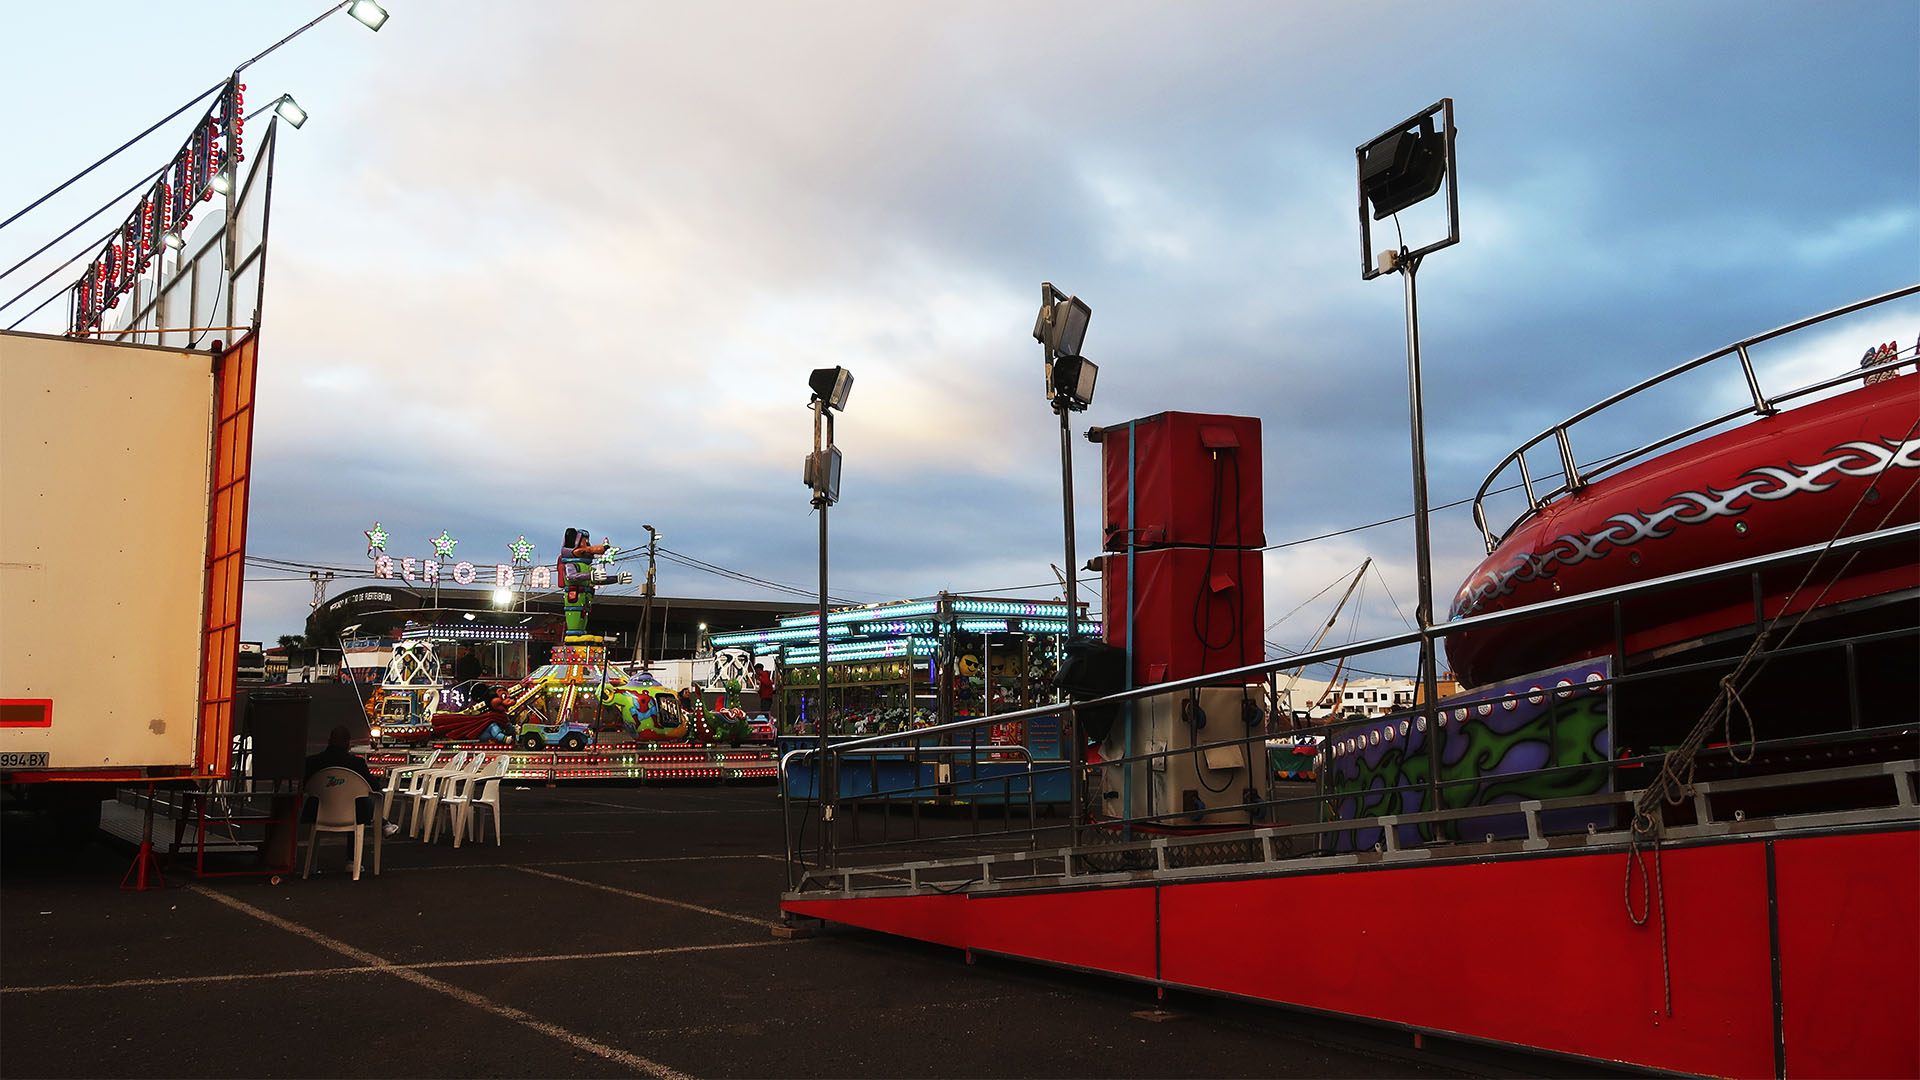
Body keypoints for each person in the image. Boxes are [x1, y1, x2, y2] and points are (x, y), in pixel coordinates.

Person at [302, 724, 383, 833]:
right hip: (354, 814)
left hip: (317, 812)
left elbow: (303, 786)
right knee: (361, 800)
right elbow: (374, 787)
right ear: (347, 743)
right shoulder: (357, 764)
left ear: (329, 741)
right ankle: (382, 825)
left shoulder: (312, 762)